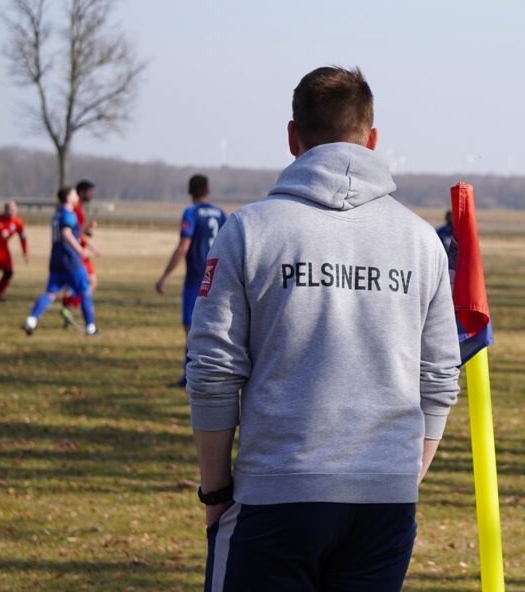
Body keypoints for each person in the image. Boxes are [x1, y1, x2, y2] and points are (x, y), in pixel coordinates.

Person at [186, 66, 461, 591]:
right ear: (372, 139)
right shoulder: (422, 240)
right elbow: (440, 375)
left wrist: (215, 493)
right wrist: (402, 476)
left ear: (293, 137)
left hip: (276, 495)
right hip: (384, 504)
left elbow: (213, 370)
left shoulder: (249, 229)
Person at [155, 174, 226, 385]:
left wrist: (165, 276)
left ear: (190, 191)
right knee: (216, 327)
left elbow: (184, 246)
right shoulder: (221, 213)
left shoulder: (191, 213)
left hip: (196, 279)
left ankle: (191, 375)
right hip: (218, 278)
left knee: (190, 327)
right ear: (207, 190)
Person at [23, 186, 97, 336]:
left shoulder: (57, 214)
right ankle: (91, 327)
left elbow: (72, 231)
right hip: (70, 260)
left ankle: (31, 320)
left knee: (51, 293)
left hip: (56, 259)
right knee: (84, 290)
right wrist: (80, 250)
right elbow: (66, 233)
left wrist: (85, 228)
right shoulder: (69, 214)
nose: (77, 196)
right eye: (75, 194)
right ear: (68, 197)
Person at [60, 179, 100, 328]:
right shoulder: (75, 210)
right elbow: (73, 232)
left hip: (78, 249)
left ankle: (69, 311)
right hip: (77, 251)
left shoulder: (78, 208)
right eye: (90, 192)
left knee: (75, 285)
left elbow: (78, 231)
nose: (92, 195)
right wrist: (86, 233)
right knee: (89, 283)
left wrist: (88, 232)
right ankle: (71, 308)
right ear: (82, 192)